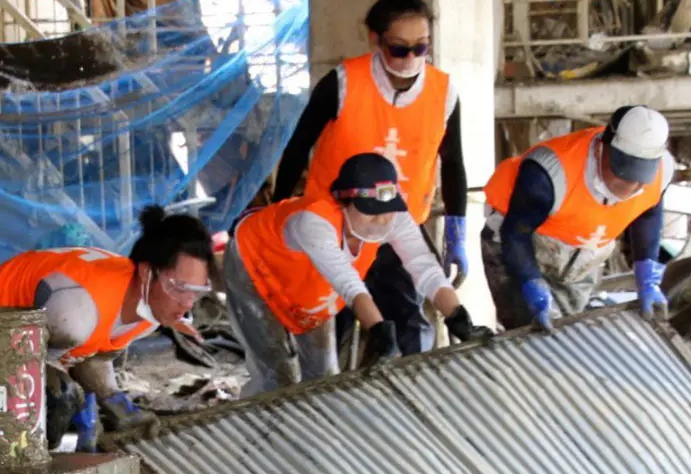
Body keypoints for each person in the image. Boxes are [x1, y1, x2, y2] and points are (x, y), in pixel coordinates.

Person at [272, 0, 467, 356]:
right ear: (375, 39)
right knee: (331, 325)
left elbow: (454, 163)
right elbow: (297, 148)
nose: (411, 57)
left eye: (422, 47)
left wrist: (457, 231)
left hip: (396, 223)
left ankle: (411, 403)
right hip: (335, 223)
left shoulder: (443, 92)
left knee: (408, 324)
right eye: (399, 47)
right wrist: (280, 208)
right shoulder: (343, 84)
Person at [224, 153, 489, 397]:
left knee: (324, 376)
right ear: (343, 203)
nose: (381, 220)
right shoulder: (313, 223)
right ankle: (266, 440)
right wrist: (378, 330)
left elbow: (424, 266)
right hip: (254, 265)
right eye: (370, 212)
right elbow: (348, 284)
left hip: (309, 281)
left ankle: (320, 436)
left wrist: (457, 316)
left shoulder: (393, 215)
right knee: (277, 375)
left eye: (385, 212)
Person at [0, 206, 214, 450]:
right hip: (12, 335)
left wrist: (116, 403)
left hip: (36, 339)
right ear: (147, 273)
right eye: (179, 288)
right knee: (57, 402)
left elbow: (91, 353)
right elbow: (31, 368)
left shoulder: (148, 306)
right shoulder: (75, 310)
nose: (187, 304)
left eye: (197, 292)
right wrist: (79, 406)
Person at [481, 105, 675, 331]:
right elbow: (515, 235)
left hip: (581, 257)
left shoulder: (663, 170)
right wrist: (531, 286)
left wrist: (647, 277)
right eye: (623, 174)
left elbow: (648, 213)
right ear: (602, 148)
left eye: (640, 178)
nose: (631, 186)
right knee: (533, 334)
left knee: (570, 333)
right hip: (519, 245)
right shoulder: (550, 172)